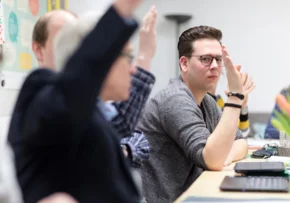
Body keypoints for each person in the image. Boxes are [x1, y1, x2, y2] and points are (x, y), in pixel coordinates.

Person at [7, 0, 143, 202]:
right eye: (127, 58)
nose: (133, 69)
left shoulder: (92, 108)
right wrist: (121, 10)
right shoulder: (39, 88)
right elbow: (69, 99)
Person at [137, 25, 249, 202]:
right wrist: (235, 97)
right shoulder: (175, 99)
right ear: (184, 63)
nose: (214, 66)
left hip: (194, 194)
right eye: (205, 59)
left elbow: (241, 141)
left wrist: (225, 156)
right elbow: (211, 159)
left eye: (218, 59)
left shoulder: (207, 102)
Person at [207, 73, 255, 137]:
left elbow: (243, 134)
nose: (214, 65)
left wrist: (243, 105)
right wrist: (234, 101)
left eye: (218, 62)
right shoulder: (202, 101)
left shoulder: (219, 100)